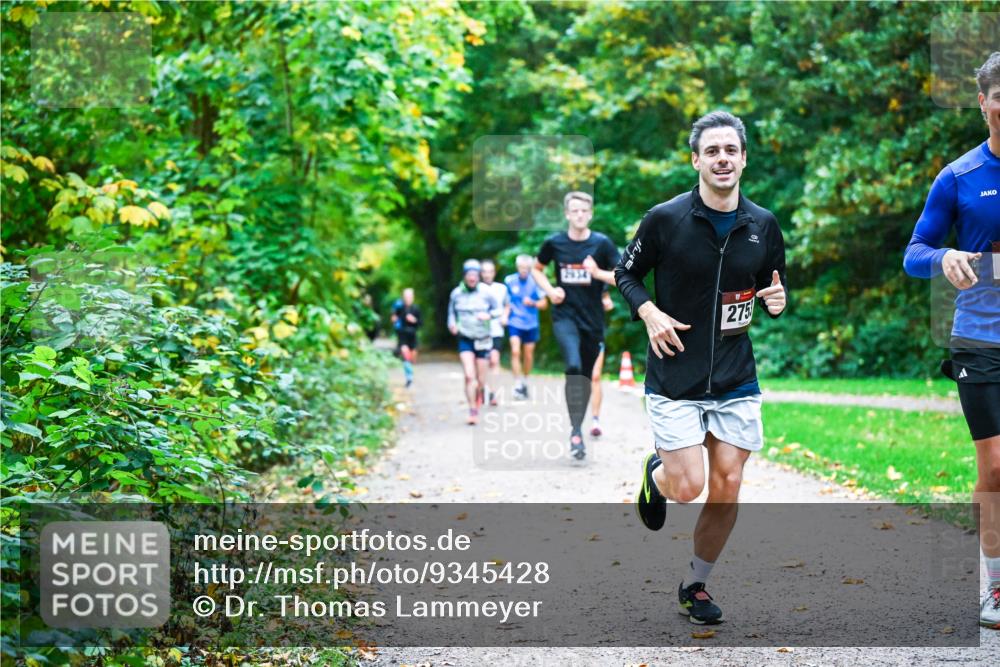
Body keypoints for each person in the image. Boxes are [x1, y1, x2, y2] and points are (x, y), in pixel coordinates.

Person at [616, 110, 787, 625]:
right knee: (688, 486)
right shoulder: (665, 219)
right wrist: (648, 312)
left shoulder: (762, 224)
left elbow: (771, 288)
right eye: (711, 151)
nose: (721, 159)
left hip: (736, 376)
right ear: (696, 160)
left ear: (743, 160)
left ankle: (696, 585)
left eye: (730, 150)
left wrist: (776, 301)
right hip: (675, 375)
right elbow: (627, 273)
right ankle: (657, 473)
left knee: (729, 483)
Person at [902, 52, 1000, 630]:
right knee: (994, 470)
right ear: (985, 102)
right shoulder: (959, 177)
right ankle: (995, 585)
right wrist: (946, 257)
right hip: (980, 340)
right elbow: (914, 253)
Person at [532, 191, 620, 460]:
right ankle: (575, 431)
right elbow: (537, 268)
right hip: (564, 316)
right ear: (567, 214)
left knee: (584, 376)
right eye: (574, 211)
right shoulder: (554, 243)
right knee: (572, 366)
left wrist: (597, 274)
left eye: (584, 210)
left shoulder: (602, 244)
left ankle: (577, 428)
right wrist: (549, 290)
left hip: (593, 321)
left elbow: (621, 277)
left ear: (590, 214)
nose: (579, 215)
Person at [448, 259, 502, 425]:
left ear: (478, 276)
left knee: (480, 379)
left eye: (475, 275)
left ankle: (478, 396)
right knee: (468, 375)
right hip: (465, 338)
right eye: (469, 275)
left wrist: (489, 315)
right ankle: (472, 410)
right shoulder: (456, 293)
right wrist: (451, 324)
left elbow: (499, 309)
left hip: (483, 339)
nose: (472, 278)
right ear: (464, 276)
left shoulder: (487, 292)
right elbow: (451, 313)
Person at [504, 254, 547, 400]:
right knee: (515, 352)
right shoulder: (509, 281)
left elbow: (544, 304)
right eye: (521, 268)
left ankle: (525, 381)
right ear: (517, 267)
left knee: (528, 355)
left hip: (531, 323)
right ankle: (517, 384)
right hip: (515, 322)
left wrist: (533, 303)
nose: (524, 270)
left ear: (530, 268)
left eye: (527, 268)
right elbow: (506, 302)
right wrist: (504, 316)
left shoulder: (535, 281)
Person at [479, 259, 511, 407]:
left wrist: (505, 316)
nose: (487, 274)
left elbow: (507, 305)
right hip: (479, 331)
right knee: (482, 363)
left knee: (494, 360)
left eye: (490, 271)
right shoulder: (476, 288)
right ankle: (481, 389)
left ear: (494, 273)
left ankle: (493, 393)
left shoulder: (501, 288)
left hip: (496, 329)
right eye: (484, 271)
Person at [589, 290, 614, 437]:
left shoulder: (599, 281)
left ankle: (595, 420)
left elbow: (608, 303)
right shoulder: (572, 283)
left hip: (596, 333)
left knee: (596, 376)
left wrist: (606, 303)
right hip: (577, 335)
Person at [391, 288, 421, 388]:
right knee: (405, 355)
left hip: (412, 335)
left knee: (412, 359)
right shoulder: (399, 308)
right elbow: (394, 318)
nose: (408, 299)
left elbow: (421, 323)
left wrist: (414, 320)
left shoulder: (416, 309)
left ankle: (410, 374)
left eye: (409, 297)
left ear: (413, 297)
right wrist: (394, 319)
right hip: (402, 335)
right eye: (406, 297)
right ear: (403, 297)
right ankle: (409, 379)